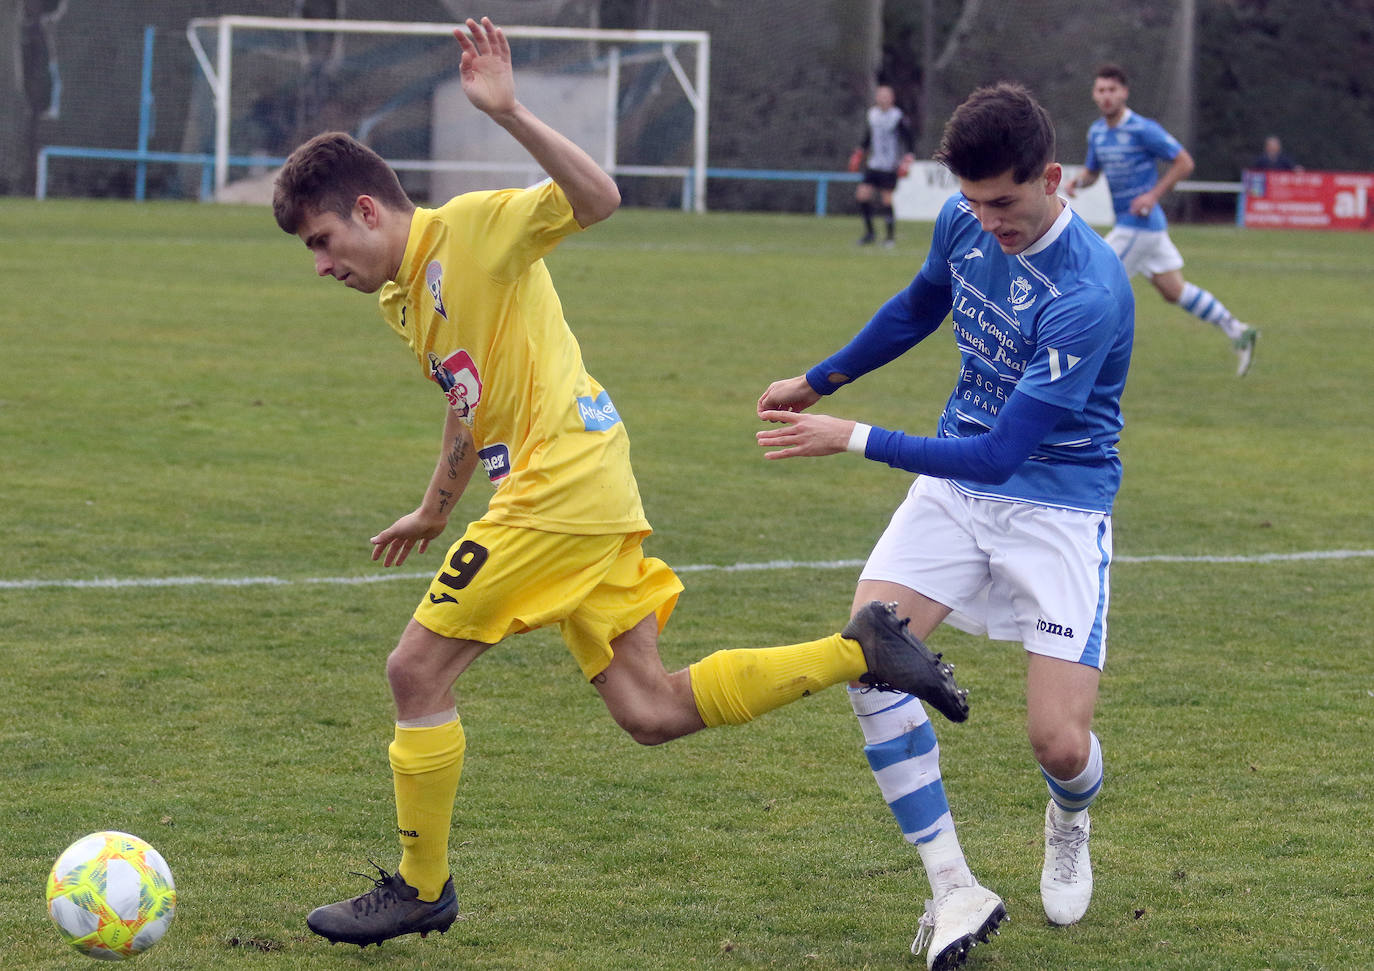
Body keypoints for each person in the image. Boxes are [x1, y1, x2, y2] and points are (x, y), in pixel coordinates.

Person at [271, 17, 968, 951]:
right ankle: (865, 649)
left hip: (559, 486)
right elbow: (464, 397)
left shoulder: (473, 229)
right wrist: (435, 505)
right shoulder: (403, 295)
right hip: (580, 483)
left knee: (413, 669)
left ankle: (421, 885)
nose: (321, 267)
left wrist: (511, 111)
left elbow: (598, 198)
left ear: (366, 210)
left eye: (322, 241)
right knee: (648, 709)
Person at [758, 81, 1133, 969]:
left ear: (1053, 178)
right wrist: (824, 378)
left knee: (1060, 742)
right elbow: (923, 302)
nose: (986, 220)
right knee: (870, 653)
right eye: (970, 201)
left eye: (1004, 201)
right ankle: (954, 886)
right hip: (952, 490)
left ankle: (1069, 817)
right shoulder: (965, 222)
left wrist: (848, 435)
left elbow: (1005, 454)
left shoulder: (1090, 291)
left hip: (1055, 504)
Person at [1064, 63, 1259, 377]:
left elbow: (1184, 162)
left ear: (1124, 93)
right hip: (1141, 228)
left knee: (1092, 282)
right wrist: (1078, 182)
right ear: (1094, 94)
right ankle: (1238, 330)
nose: (1106, 96)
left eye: (1112, 90)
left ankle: (1078, 366)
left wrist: (1154, 195)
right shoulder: (1097, 132)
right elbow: (1093, 171)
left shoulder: (1143, 129)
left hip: (1138, 226)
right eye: (1101, 90)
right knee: (1174, 291)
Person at [849, 84, 916, 248]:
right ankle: (870, 233)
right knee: (862, 195)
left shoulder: (897, 116)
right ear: (877, 98)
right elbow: (868, 137)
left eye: (886, 96)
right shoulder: (872, 115)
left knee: (886, 200)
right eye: (880, 96)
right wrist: (859, 152)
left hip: (889, 166)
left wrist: (908, 157)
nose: (883, 99)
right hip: (874, 164)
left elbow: (908, 139)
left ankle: (890, 237)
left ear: (892, 98)